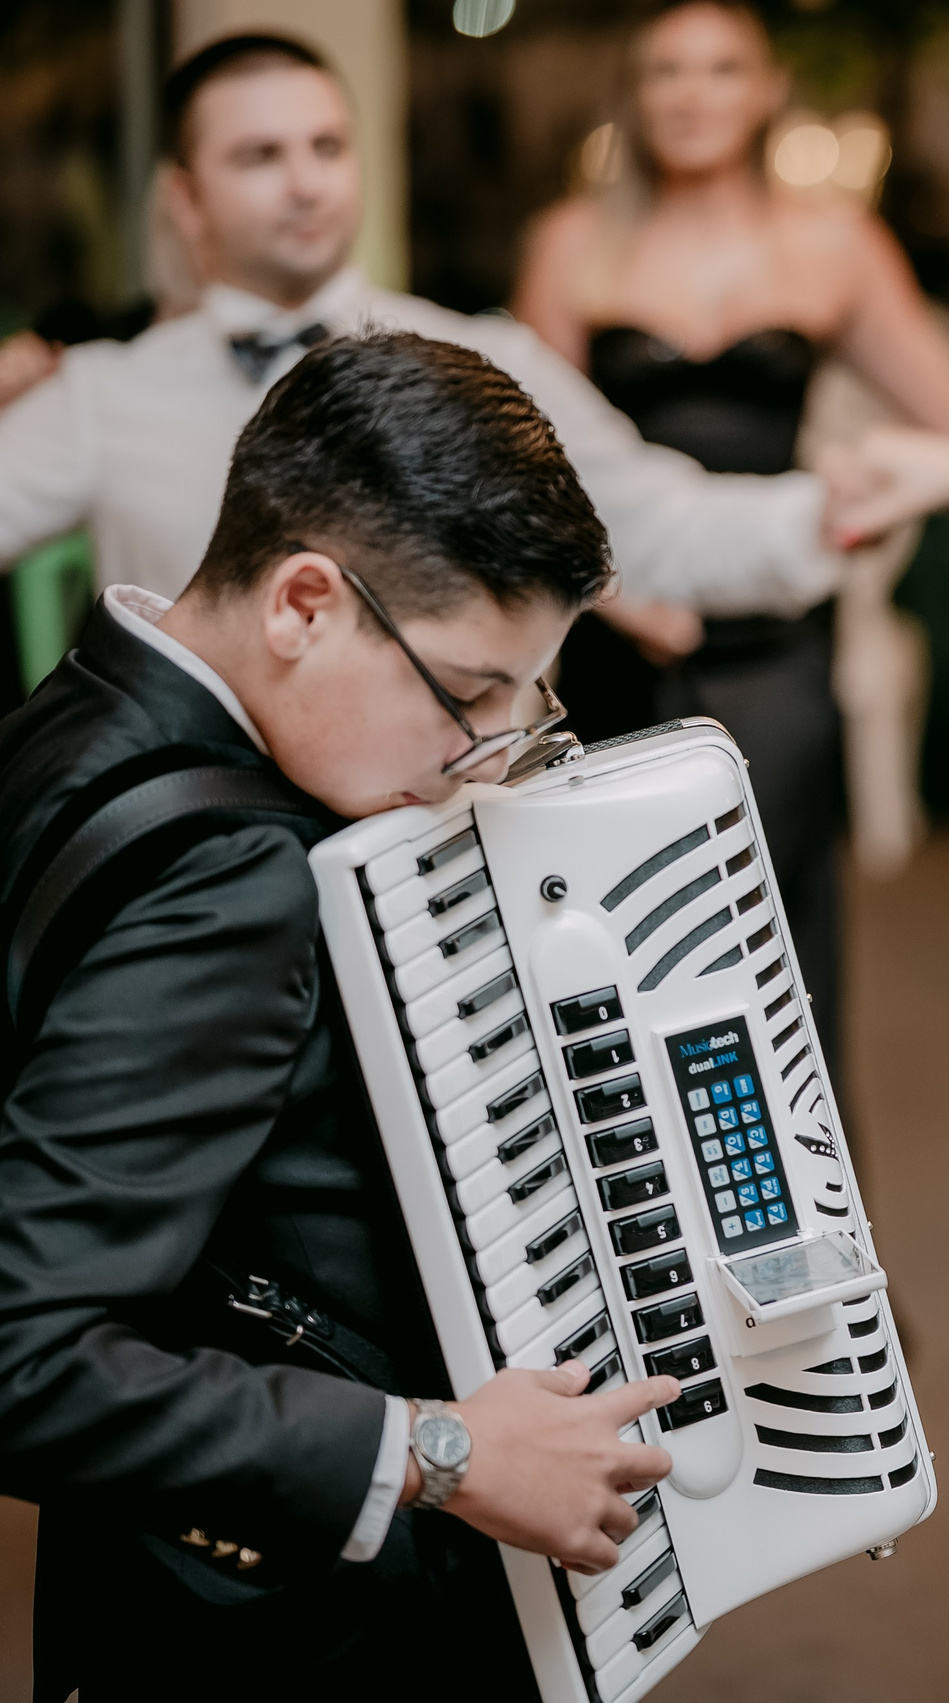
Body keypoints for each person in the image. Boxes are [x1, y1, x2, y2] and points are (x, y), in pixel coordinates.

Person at [0, 330, 684, 1700]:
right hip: (270, 1634)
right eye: (469, 692)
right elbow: (29, 1348)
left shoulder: (71, 710)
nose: (482, 757)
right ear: (305, 603)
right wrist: (445, 1450)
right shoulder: (236, 877)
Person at [512, 0, 949, 1066]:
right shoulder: (572, 242)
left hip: (775, 631)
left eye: (721, 68)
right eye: (666, 70)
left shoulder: (832, 244)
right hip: (623, 628)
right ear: (635, 95)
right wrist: (619, 596)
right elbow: (533, 453)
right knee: (618, 943)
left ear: (768, 90)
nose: (691, 94)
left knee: (772, 946)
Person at [0, 33, 868, 633]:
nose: (305, 183)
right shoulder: (103, 394)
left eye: (327, 147)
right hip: (209, 857)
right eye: (260, 157)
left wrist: (834, 512)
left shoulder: (487, 362)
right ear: (185, 199)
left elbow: (657, 522)